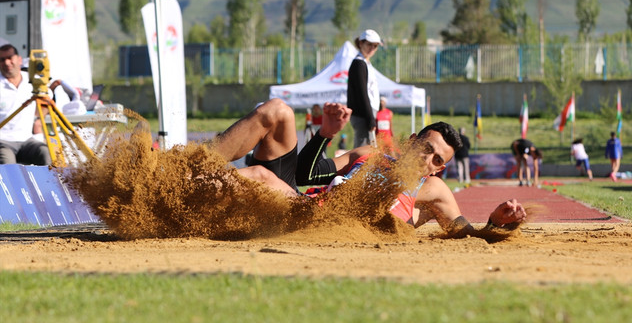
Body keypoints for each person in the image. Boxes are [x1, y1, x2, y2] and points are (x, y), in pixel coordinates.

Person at [213, 98, 526, 238]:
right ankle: (186, 166)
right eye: (426, 149)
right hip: (301, 207)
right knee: (277, 110)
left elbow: (467, 234)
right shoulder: (369, 154)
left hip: (316, 228)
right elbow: (306, 176)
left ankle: (188, 182)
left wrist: (497, 223)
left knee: (256, 175)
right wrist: (326, 132)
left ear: (439, 169)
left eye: (437, 160)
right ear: (413, 141)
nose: (427, 159)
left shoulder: (432, 191)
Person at [0, 44, 51, 166]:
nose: (7, 63)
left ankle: (47, 185)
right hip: (3, 141)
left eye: (10, 58)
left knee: (45, 153)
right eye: (2, 60)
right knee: (8, 167)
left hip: (27, 140)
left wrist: (38, 120)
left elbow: (47, 100)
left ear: (19, 60)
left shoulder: (33, 80)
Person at [347, 29, 382, 148]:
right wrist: (369, 118)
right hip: (363, 113)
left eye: (375, 46)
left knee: (367, 150)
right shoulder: (359, 63)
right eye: (369, 44)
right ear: (361, 43)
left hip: (367, 112)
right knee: (361, 150)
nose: (372, 48)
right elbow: (362, 92)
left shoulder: (366, 63)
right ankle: (355, 168)